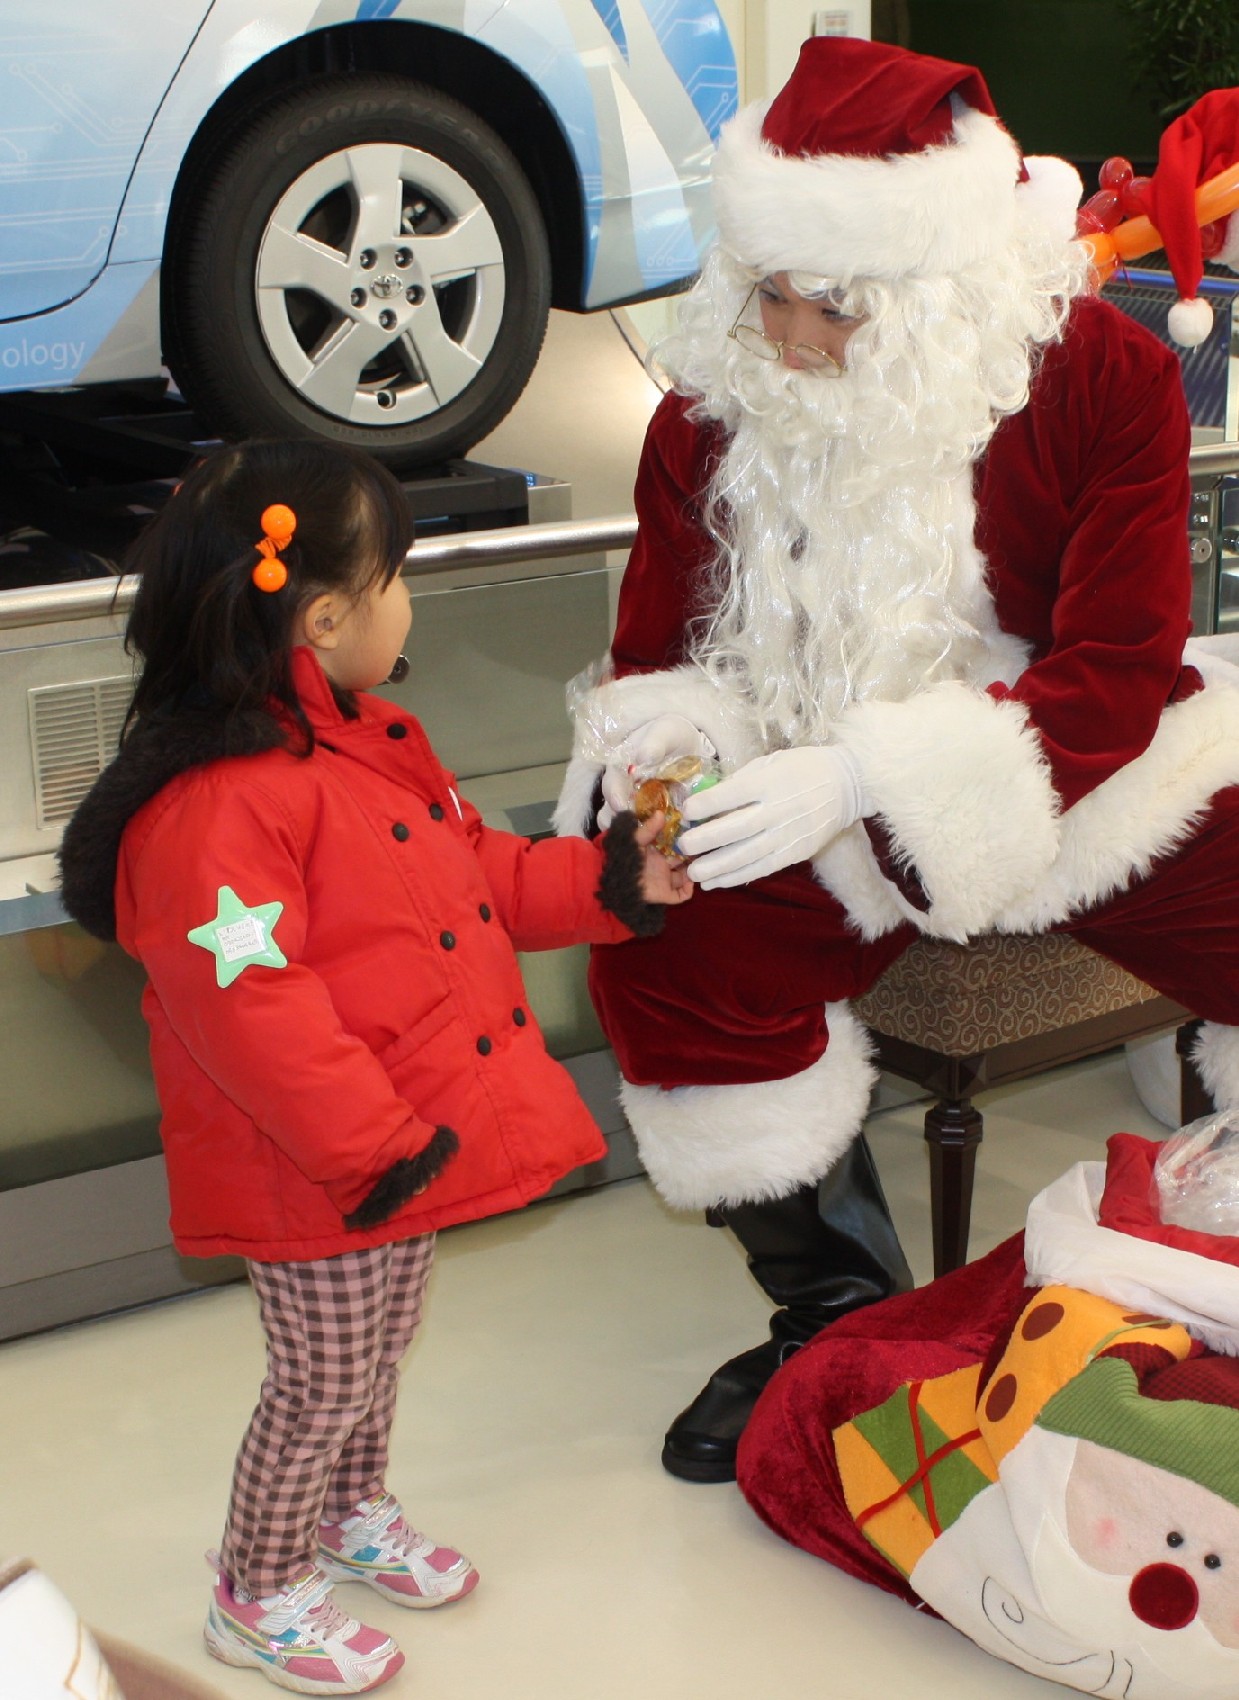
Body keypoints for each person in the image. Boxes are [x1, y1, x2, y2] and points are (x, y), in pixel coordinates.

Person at [555, 36, 1239, 1487]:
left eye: (837, 307)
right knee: (666, 938)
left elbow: (1115, 667)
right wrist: (677, 748)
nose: (793, 337)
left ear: (940, 290)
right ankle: (833, 1311)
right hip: (795, 759)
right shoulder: (710, 409)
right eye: (771, 294)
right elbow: (657, 648)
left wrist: (884, 776)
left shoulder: (1098, 376)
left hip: (1065, 754)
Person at [57, 438, 690, 1696]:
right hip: (320, 1164)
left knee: (380, 1344)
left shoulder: (364, 744)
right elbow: (253, 1009)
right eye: (395, 573)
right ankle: (256, 1586)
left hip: (399, 1140)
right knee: (324, 1375)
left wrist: (613, 879)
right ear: (326, 616)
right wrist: (374, 1148)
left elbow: (477, 878)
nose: (409, 596)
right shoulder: (217, 801)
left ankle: (349, 1511)